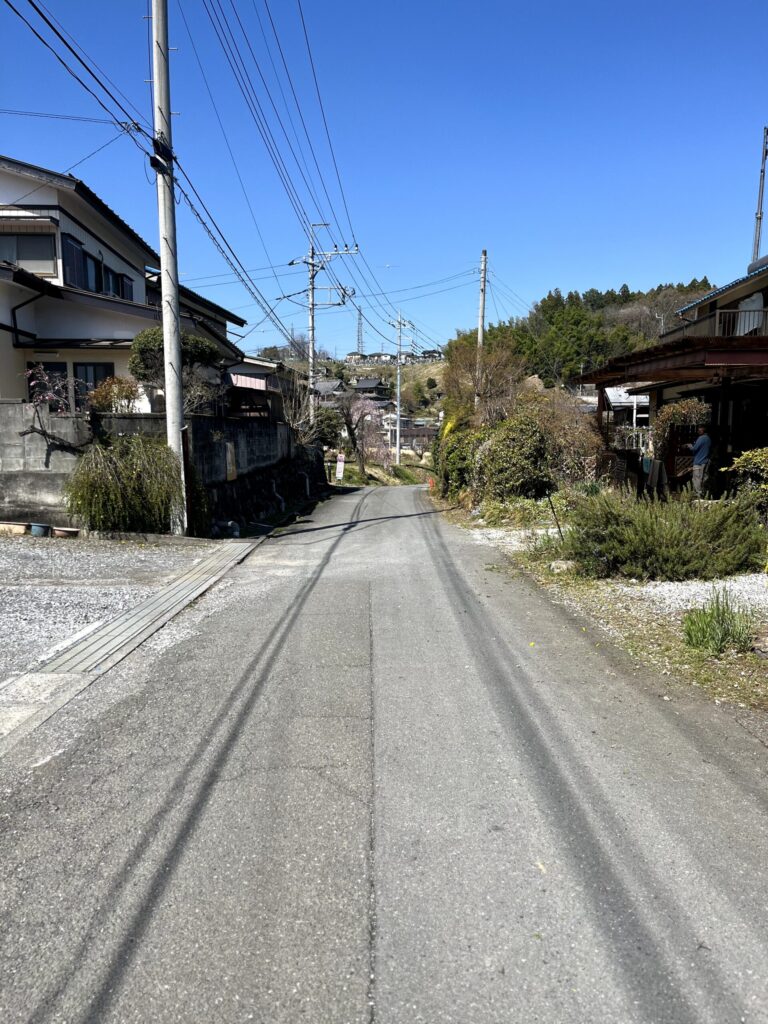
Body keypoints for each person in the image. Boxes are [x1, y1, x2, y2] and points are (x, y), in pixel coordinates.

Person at [687, 426, 711, 496]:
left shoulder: (701, 438)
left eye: (699, 430)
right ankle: (704, 493)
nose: (698, 431)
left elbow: (694, 448)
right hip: (706, 461)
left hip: (699, 462)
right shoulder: (708, 439)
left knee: (696, 479)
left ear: (703, 431)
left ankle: (698, 495)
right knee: (704, 478)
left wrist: (689, 445)